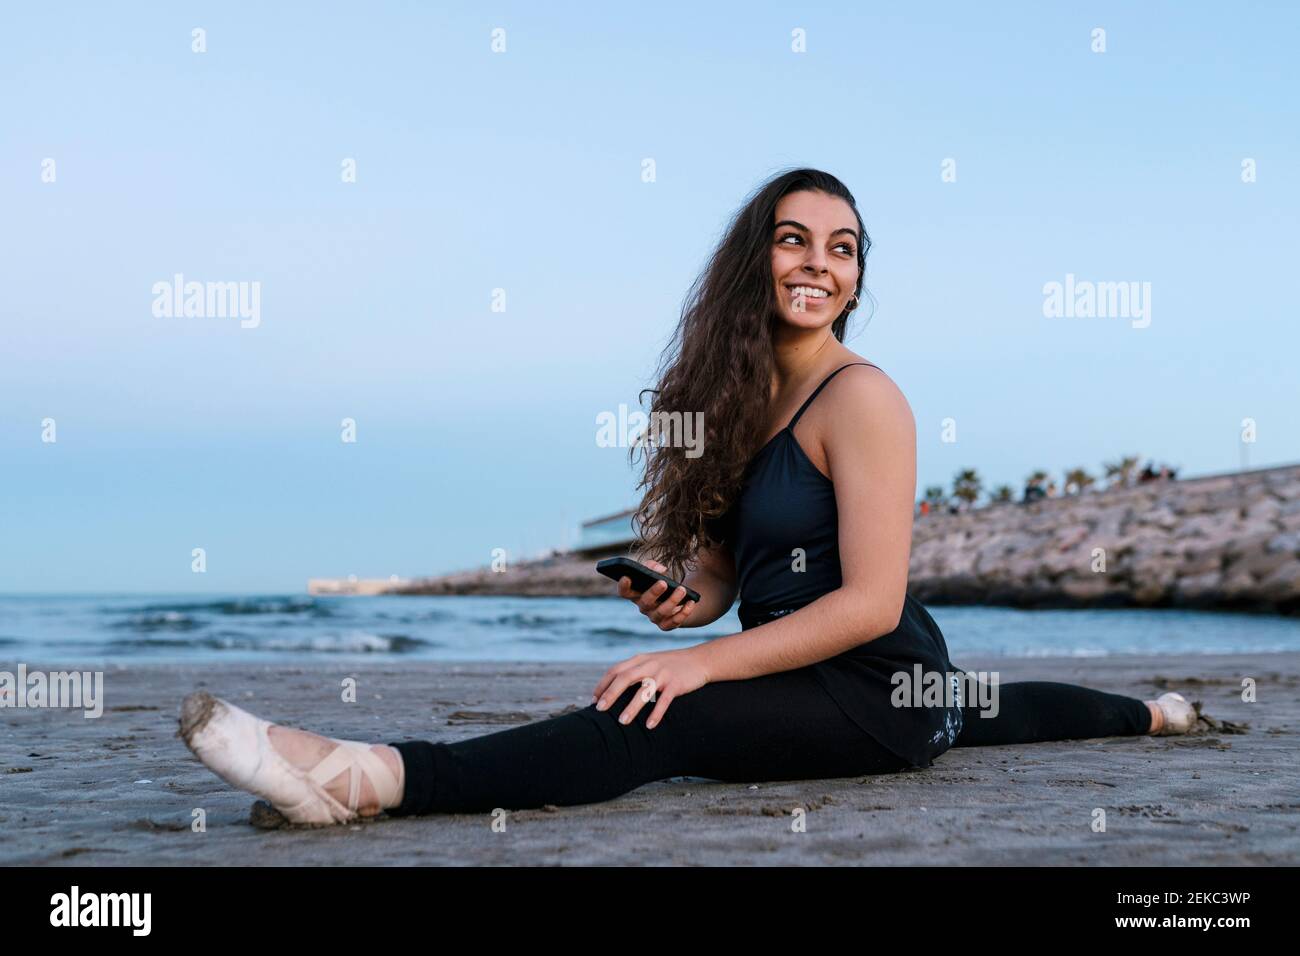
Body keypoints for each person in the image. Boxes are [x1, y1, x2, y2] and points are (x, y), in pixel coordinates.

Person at [179, 168, 1200, 826]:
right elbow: (721, 580)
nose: (818, 262)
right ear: (756, 255)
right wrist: (681, 600)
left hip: (876, 683)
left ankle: (374, 775)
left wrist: (698, 660)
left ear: (855, 277)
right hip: (838, 683)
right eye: (795, 238)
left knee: (657, 712)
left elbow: (871, 603)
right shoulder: (733, 402)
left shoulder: (865, 398)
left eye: (841, 248)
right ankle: (1156, 711)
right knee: (990, 708)